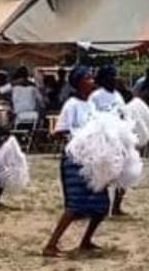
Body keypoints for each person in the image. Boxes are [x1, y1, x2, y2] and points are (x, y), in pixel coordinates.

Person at [43, 67, 109, 257]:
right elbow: (58, 132)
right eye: (87, 77)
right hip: (75, 160)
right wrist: (78, 136)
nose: (92, 79)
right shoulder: (71, 105)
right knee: (75, 205)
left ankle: (86, 240)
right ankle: (50, 245)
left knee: (100, 206)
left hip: (91, 159)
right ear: (79, 82)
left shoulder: (91, 104)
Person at [88, 64, 130, 216]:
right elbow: (92, 116)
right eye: (111, 76)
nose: (114, 79)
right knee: (103, 172)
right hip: (104, 139)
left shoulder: (118, 95)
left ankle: (117, 206)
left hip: (120, 138)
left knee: (124, 172)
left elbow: (124, 113)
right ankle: (100, 206)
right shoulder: (95, 96)